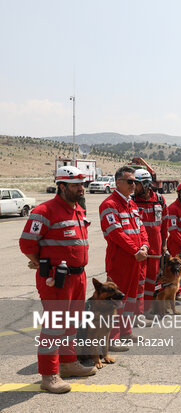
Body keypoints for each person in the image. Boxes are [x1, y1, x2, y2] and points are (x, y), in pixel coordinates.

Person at [19, 166, 96, 393]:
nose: (81, 189)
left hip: (78, 276)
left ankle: (69, 363)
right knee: (54, 327)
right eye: (75, 185)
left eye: (82, 184)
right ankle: (49, 375)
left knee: (72, 324)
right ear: (62, 187)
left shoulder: (78, 210)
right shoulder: (44, 211)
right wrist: (39, 261)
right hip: (56, 279)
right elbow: (27, 243)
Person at [99, 166, 149, 344]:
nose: (134, 185)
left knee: (131, 299)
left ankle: (126, 332)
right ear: (118, 182)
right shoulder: (109, 205)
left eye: (135, 181)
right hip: (120, 260)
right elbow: (116, 233)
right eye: (130, 181)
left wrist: (144, 245)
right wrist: (135, 250)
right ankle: (112, 339)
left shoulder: (132, 204)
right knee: (116, 301)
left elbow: (141, 228)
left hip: (136, 259)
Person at [131, 169, 168, 313]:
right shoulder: (132, 201)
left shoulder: (159, 200)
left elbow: (165, 224)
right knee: (139, 281)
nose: (134, 187)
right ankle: (136, 311)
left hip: (156, 249)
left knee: (152, 280)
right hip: (139, 249)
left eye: (137, 184)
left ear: (146, 184)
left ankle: (146, 309)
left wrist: (164, 244)